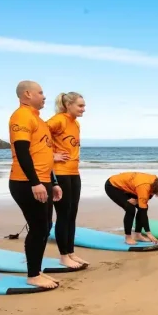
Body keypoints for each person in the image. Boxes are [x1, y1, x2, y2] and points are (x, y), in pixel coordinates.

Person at [9, 80, 63, 290]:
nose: (44, 96)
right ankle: (32, 275)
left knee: (45, 226)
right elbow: (22, 151)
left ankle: (37, 270)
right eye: (41, 92)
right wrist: (35, 182)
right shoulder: (21, 116)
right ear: (28, 94)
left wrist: (53, 182)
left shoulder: (38, 120)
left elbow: (43, 154)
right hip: (26, 182)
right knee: (38, 227)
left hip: (43, 181)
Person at [47, 91, 87, 270]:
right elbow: (36, 138)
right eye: (80, 105)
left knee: (72, 214)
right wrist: (51, 155)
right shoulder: (58, 120)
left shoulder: (75, 123)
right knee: (63, 215)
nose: (83, 109)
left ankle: (70, 252)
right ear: (68, 105)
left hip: (73, 172)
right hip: (59, 173)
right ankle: (63, 256)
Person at [105, 172, 158, 245]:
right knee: (130, 208)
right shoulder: (144, 186)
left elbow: (147, 197)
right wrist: (148, 233)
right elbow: (143, 212)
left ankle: (137, 235)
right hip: (113, 186)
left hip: (129, 187)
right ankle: (128, 237)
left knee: (143, 206)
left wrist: (138, 200)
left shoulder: (155, 183)